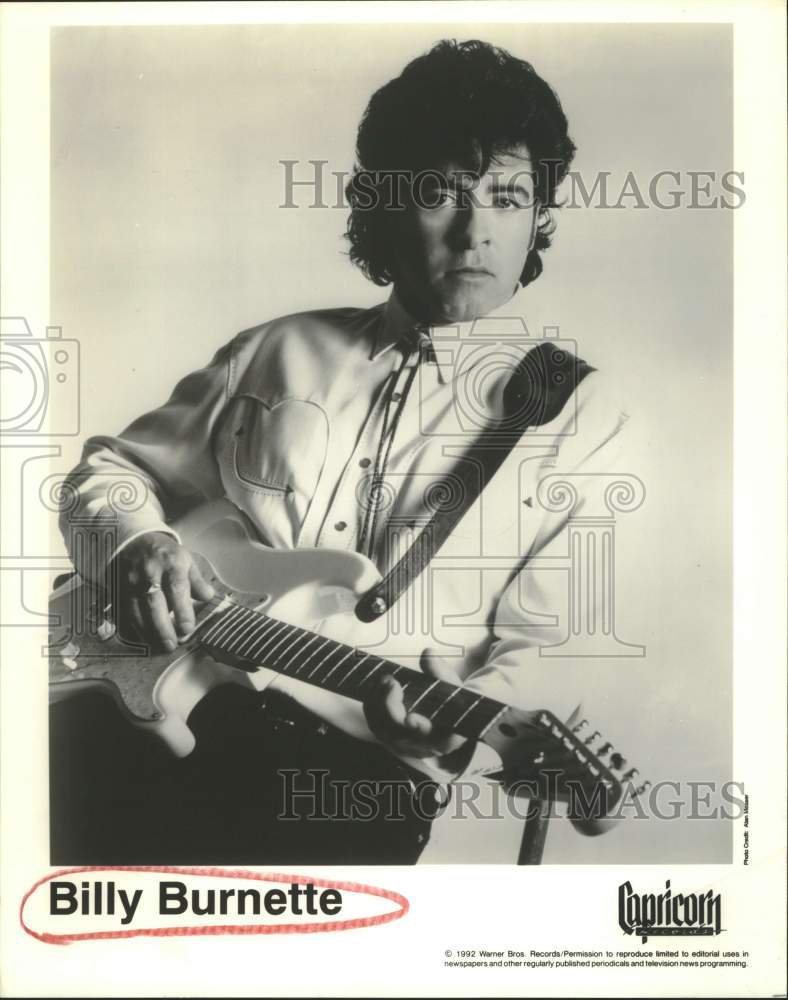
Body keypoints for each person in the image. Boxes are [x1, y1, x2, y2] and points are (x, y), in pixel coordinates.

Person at [51, 39, 631, 864]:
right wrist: (140, 544)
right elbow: (110, 473)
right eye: (440, 193)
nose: (476, 230)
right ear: (384, 207)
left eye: (507, 196)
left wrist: (451, 728)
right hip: (141, 698)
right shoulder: (277, 348)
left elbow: (547, 642)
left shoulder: (578, 413)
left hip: (349, 782)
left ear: (539, 216)